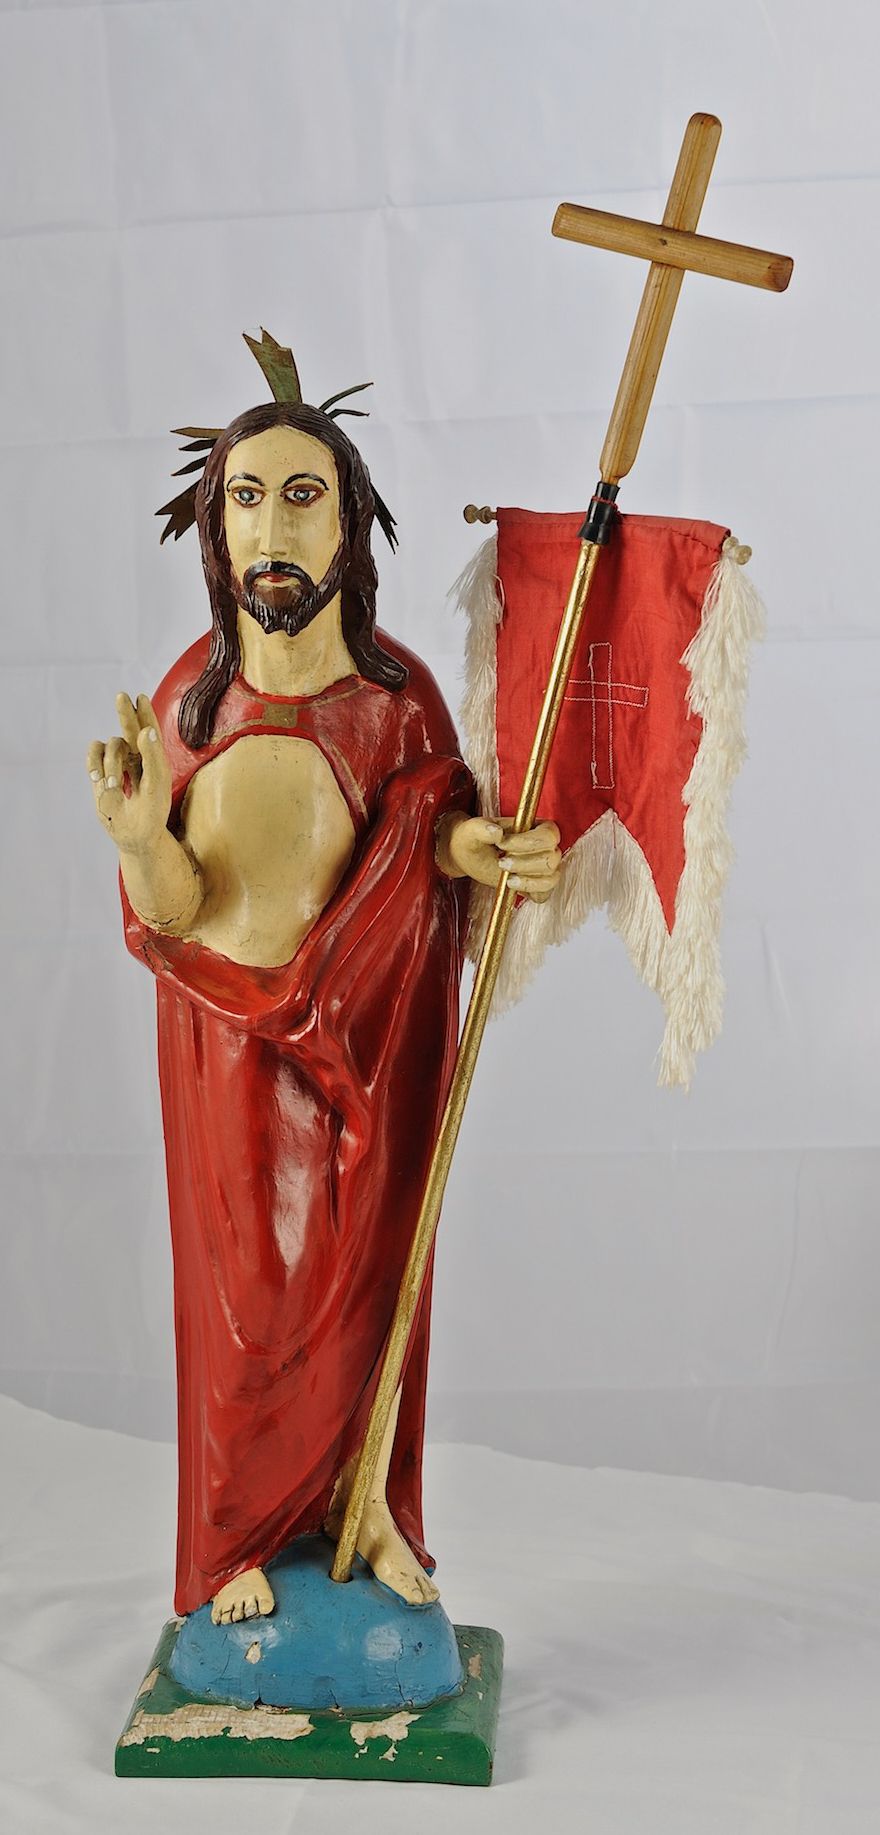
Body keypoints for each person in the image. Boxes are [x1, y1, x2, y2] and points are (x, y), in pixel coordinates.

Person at [86, 390, 560, 1628]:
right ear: (215, 529)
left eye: (303, 495)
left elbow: (426, 827)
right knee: (249, 1295)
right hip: (229, 1044)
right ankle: (235, 1533)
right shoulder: (190, 701)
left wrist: (476, 847)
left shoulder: (396, 698)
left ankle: (370, 1505)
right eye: (247, 498)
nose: (273, 527)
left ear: (349, 522)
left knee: (373, 1274)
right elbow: (175, 906)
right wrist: (138, 839)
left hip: (369, 1038)